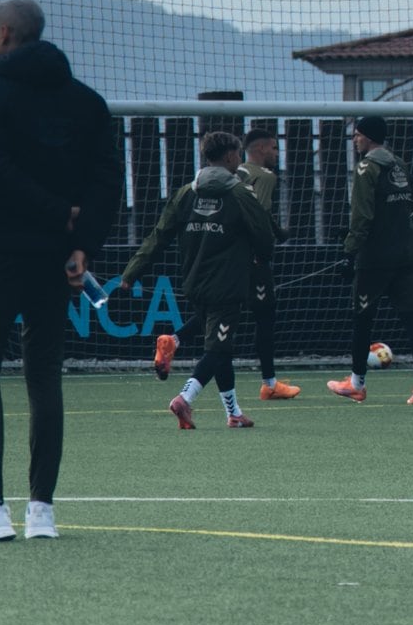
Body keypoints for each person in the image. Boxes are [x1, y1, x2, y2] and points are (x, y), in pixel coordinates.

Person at [0, 0, 114, 547]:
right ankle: (42, 511)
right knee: (44, 372)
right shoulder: (86, 101)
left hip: (1, 250)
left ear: (7, 34)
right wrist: (81, 242)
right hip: (57, 259)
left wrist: (58, 215)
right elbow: (106, 180)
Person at [125, 129, 276, 430]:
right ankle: (185, 398)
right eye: (237, 155)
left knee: (221, 345)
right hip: (228, 284)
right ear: (231, 156)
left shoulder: (186, 193)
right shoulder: (239, 194)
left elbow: (159, 235)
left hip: (195, 281)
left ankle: (233, 412)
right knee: (218, 348)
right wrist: (261, 257)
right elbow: (264, 236)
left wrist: (132, 272)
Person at [335, 113, 413, 403]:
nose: (354, 139)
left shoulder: (367, 168)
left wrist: (349, 252)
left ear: (368, 136)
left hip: (375, 257)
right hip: (405, 253)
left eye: (357, 134)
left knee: (362, 318)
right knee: (412, 318)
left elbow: (362, 215)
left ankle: (357, 383)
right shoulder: (399, 164)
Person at [236, 129, 299, 400]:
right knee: (265, 316)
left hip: (227, 253)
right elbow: (257, 214)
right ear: (260, 149)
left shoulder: (235, 173)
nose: (277, 153)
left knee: (221, 309)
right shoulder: (265, 176)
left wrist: (277, 230)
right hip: (252, 257)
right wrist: (264, 249)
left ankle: (173, 341)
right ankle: (270, 383)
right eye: (274, 148)